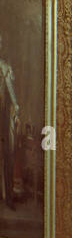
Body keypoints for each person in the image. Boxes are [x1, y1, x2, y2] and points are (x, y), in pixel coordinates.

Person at [0, 37, 19, 208]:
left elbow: (12, 95)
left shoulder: (6, 67)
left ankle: (8, 197)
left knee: (8, 154)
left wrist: (16, 108)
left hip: (3, 116)